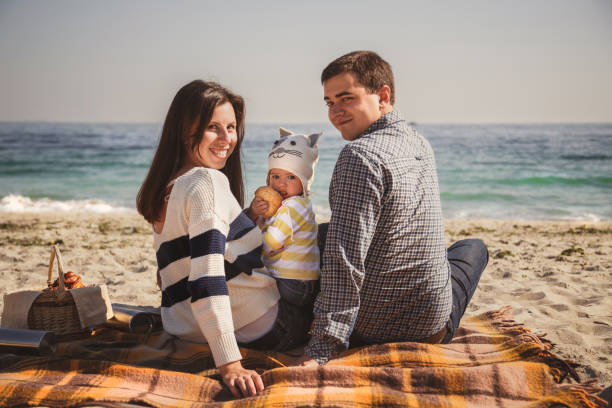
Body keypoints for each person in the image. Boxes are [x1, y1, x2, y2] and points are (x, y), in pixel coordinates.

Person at [296, 51, 489, 366]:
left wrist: (322, 348)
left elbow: (344, 259)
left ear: (382, 96)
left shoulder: (358, 155)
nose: (335, 112)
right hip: (433, 329)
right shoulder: (419, 142)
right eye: (330, 103)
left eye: (346, 99)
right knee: (473, 248)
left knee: (322, 238)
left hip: (371, 332)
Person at [136, 80, 311, 398]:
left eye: (231, 127)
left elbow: (182, 265)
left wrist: (248, 219)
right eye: (212, 128)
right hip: (266, 326)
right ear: (184, 129)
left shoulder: (168, 187)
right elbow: (206, 278)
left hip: (185, 327)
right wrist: (230, 364)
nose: (226, 139)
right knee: (323, 235)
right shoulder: (206, 181)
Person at [247, 128, 321, 307]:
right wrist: (256, 213)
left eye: (290, 177)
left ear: (303, 181)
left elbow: (271, 242)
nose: (281, 183)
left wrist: (249, 243)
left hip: (291, 282)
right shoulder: (296, 205)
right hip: (303, 281)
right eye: (275, 176)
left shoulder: (291, 207)